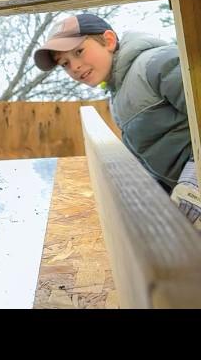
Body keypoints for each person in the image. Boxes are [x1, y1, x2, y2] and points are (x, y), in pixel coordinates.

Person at [33, 13, 199, 226]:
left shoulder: (156, 64)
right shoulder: (118, 97)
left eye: (79, 51)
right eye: (65, 63)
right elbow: (152, 156)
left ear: (109, 41)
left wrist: (195, 179)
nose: (73, 67)